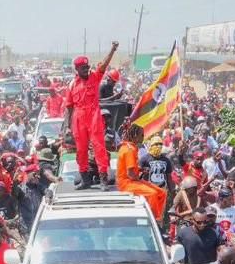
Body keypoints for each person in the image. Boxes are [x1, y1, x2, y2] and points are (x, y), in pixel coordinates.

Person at [63, 42, 119, 190]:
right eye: (83, 68)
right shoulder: (72, 85)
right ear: (77, 69)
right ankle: (85, 179)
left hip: (94, 115)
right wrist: (68, 127)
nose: (87, 70)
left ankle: (103, 180)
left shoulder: (95, 77)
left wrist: (112, 50)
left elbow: (104, 65)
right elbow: (69, 107)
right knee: (81, 150)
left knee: (99, 147)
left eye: (87, 67)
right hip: (78, 117)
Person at [116, 124, 167, 220]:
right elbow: (130, 174)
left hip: (131, 181)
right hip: (126, 183)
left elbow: (130, 169)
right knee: (153, 194)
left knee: (162, 193)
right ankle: (153, 219)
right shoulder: (129, 150)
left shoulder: (130, 147)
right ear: (135, 135)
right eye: (141, 135)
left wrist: (140, 170)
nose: (143, 137)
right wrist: (139, 178)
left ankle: (159, 217)